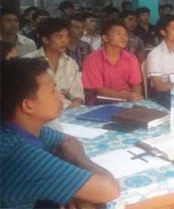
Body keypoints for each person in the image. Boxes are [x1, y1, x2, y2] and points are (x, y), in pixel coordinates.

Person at [0, 58, 120, 208]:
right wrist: (78, 157)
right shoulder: (18, 154)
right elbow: (109, 190)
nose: (61, 96)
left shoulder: (29, 130)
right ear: (28, 105)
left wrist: (68, 190)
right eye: (52, 90)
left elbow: (68, 141)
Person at [24, 18, 84, 109]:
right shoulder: (28, 62)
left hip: (67, 111)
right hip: (39, 111)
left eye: (67, 36)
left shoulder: (71, 63)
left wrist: (75, 104)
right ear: (45, 40)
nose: (65, 41)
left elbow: (77, 92)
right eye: (59, 37)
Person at [82, 19, 143, 104]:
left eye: (125, 34)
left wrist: (135, 96)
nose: (124, 37)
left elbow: (136, 84)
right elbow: (98, 90)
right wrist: (127, 96)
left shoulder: (131, 58)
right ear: (105, 38)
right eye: (118, 33)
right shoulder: (92, 59)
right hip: (100, 102)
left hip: (127, 101)